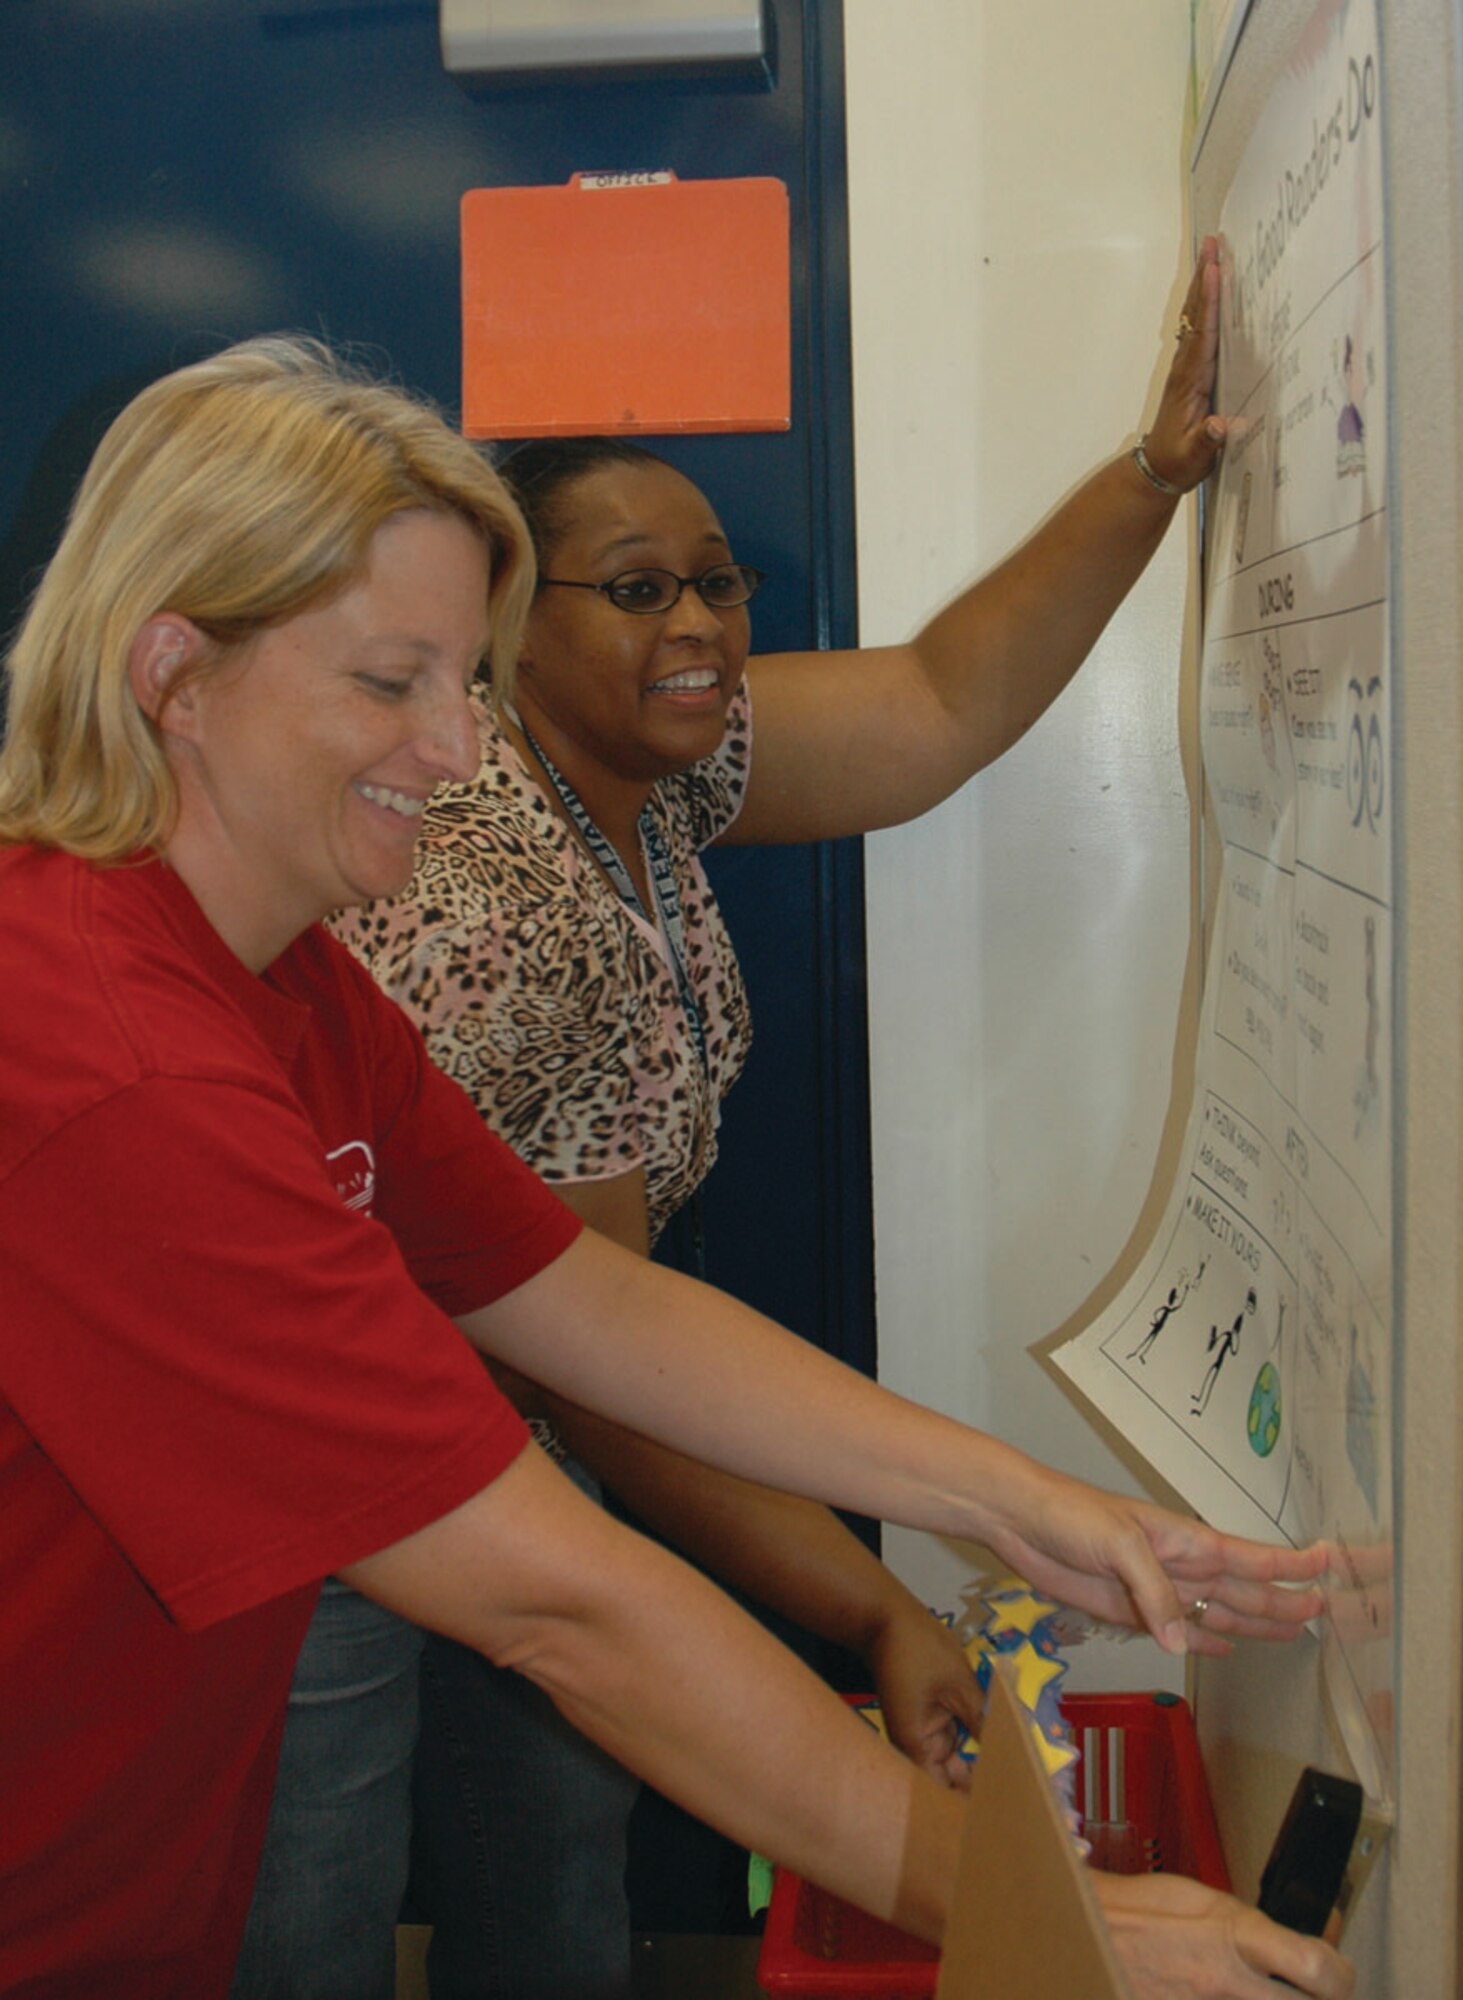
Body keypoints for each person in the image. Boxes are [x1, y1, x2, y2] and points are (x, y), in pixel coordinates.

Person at [0, 332, 1353, 2000]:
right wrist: (1009, 1898)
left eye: (458, 680)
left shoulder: (279, 969)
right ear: (171, 676)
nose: (450, 746)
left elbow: (583, 1302)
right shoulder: (110, 1056)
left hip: (134, 1842)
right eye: (386, 682)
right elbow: (561, 1604)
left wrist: (1014, 1502)